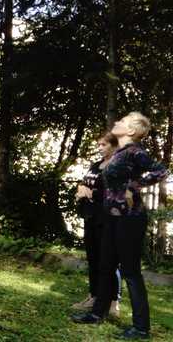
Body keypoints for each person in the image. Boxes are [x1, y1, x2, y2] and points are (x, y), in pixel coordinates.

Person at [72, 112, 169, 340]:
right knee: (105, 266)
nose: (117, 123)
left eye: (122, 122)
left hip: (130, 218)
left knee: (130, 272)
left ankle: (141, 327)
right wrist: (89, 190)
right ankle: (97, 314)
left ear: (132, 131)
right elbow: (111, 187)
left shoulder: (135, 151)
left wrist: (133, 186)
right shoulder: (119, 154)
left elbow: (161, 171)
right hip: (111, 217)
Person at [71, 133, 121, 317]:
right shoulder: (96, 165)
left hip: (107, 219)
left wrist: (91, 193)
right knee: (93, 259)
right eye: (98, 144)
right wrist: (81, 191)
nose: (99, 148)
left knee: (107, 261)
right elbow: (85, 183)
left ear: (114, 146)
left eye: (103, 144)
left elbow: (114, 194)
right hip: (90, 217)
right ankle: (93, 296)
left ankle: (113, 302)